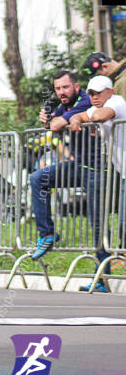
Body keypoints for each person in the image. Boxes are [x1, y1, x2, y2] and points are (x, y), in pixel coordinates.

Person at [67, 74, 126, 292]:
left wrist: (84, 119)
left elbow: (102, 115)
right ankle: (104, 277)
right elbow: (81, 115)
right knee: (106, 223)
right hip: (120, 173)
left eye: (98, 93)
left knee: (124, 225)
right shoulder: (97, 105)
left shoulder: (116, 102)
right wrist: (75, 119)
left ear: (110, 91)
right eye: (90, 93)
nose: (93, 97)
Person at [30, 70, 95, 260]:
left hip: (96, 167)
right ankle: (47, 234)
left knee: (96, 221)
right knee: (38, 178)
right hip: (78, 164)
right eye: (58, 88)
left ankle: (103, 273)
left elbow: (57, 126)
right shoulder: (65, 105)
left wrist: (51, 123)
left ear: (76, 87)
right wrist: (46, 120)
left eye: (65, 87)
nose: (61, 92)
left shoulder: (84, 101)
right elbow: (53, 127)